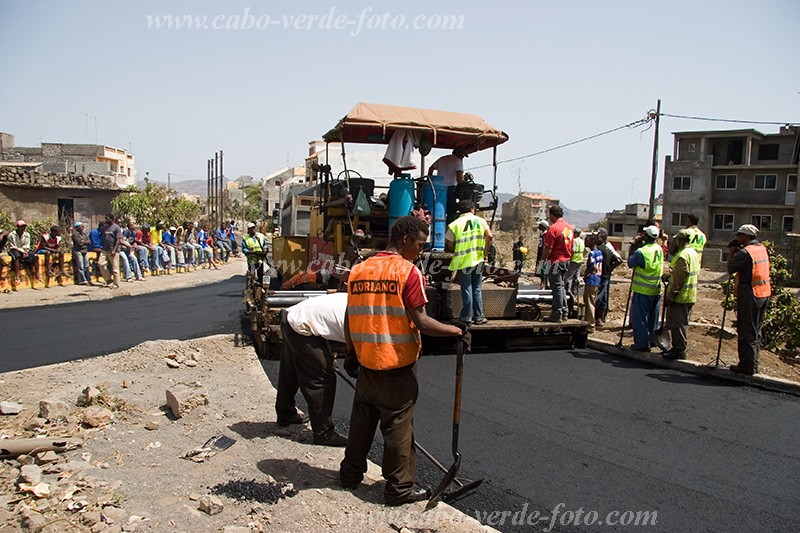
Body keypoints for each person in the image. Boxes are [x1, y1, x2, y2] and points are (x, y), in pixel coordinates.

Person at [339, 215, 464, 506]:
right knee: (398, 430)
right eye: (420, 245)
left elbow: (348, 317)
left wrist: (350, 351)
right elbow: (421, 321)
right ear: (406, 240)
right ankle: (399, 489)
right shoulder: (408, 273)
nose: (421, 251)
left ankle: (349, 476)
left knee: (361, 424)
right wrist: (456, 330)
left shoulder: (359, 270)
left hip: (367, 364)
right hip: (397, 367)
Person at [275, 292, 349, 447]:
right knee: (322, 378)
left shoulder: (359, 301)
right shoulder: (366, 315)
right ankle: (323, 433)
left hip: (291, 318)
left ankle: (286, 414)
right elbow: (354, 342)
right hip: (301, 326)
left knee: (291, 371)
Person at [727, 224, 771, 375]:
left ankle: (746, 366)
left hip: (750, 292)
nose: (737, 238)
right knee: (756, 330)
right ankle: (753, 363)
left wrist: (732, 252)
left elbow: (730, 269)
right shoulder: (761, 249)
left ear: (746, 236)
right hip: (764, 292)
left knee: (746, 330)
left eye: (739, 235)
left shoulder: (745, 253)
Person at [445, 199, 493, 325]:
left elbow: (449, 243)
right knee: (477, 288)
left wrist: (456, 249)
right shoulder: (481, 221)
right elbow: (490, 236)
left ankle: (466, 317)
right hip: (478, 259)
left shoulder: (455, 224)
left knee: (467, 288)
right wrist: (485, 253)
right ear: (473, 209)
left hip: (464, 261)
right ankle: (479, 316)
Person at [662, 229, 700, 360]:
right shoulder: (693, 253)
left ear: (679, 240)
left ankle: (679, 350)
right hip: (690, 294)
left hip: (681, 296)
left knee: (678, 324)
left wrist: (672, 294)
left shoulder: (683, 255)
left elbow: (680, 276)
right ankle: (677, 348)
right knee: (681, 323)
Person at [626, 225, 663, 351]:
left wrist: (633, 245)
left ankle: (641, 344)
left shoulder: (641, 252)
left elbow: (630, 263)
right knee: (653, 317)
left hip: (643, 290)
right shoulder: (659, 249)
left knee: (640, 318)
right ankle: (653, 340)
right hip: (656, 289)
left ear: (646, 236)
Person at [541, 206, 574, 322]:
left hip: (555, 261)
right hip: (566, 261)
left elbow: (548, 249)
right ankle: (564, 312)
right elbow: (572, 247)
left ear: (551, 215)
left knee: (556, 288)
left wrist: (542, 261)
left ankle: (557, 314)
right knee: (561, 287)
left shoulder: (553, 228)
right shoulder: (569, 228)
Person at [593, 227, 622, 328]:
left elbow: (619, 259)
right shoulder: (600, 247)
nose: (596, 238)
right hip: (603, 274)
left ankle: (597, 317)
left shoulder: (608, 247)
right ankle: (600, 318)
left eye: (598, 236)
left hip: (604, 275)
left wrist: (609, 268)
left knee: (600, 295)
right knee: (603, 296)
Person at [7, 220, 41, 288]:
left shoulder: (27, 234)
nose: (23, 228)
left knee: (35, 255)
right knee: (16, 256)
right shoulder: (11, 235)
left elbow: (27, 245)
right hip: (15, 249)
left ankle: (37, 274)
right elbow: (12, 246)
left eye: (24, 226)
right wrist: (22, 251)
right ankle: (17, 276)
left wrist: (24, 251)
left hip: (25, 250)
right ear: (17, 227)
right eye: (21, 227)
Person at [583, 235, 603, 331]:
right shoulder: (599, 252)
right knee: (591, 301)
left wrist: (586, 275)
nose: (585, 242)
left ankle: (590, 325)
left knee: (589, 302)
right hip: (597, 280)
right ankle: (587, 321)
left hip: (592, 280)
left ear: (592, 242)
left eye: (587, 240)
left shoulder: (592, 254)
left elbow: (594, 266)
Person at [102, 214, 123, 289]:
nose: (106, 220)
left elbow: (118, 240)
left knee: (115, 268)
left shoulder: (116, 228)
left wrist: (114, 250)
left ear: (111, 219)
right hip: (105, 249)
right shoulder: (105, 227)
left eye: (107, 219)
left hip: (113, 250)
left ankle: (116, 284)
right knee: (100, 264)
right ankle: (108, 279)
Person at [565, 227, 585, 297]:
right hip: (580, 260)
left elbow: (573, 250)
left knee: (569, 277)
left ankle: (568, 291)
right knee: (577, 276)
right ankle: (575, 291)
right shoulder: (582, 241)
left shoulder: (575, 241)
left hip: (574, 260)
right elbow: (585, 251)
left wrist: (570, 258)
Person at [89, 220, 111, 284]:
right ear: (101, 227)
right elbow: (94, 244)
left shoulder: (104, 233)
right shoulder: (93, 232)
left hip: (101, 248)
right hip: (93, 248)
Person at [535, 220, 550, 288]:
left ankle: (544, 284)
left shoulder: (546, 234)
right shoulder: (542, 234)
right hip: (540, 252)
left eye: (540, 225)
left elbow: (545, 245)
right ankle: (543, 283)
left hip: (543, 253)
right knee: (541, 269)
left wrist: (544, 255)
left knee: (544, 269)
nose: (538, 227)